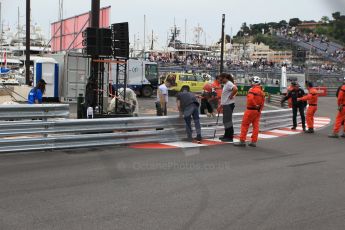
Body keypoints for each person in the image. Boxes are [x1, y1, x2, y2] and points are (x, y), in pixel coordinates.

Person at [234, 76, 265, 147]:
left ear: (255, 82)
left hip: (250, 110)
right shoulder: (261, 92)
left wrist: (255, 105)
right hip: (257, 111)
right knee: (256, 126)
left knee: (245, 125)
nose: (250, 82)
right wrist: (259, 110)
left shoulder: (252, 90)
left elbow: (250, 99)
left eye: (251, 81)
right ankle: (253, 141)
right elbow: (263, 103)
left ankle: (242, 141)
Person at [218, 73, 238, 142]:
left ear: (224, 78)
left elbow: (235, 89)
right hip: (226, 105)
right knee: (225, 121)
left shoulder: (229, 83)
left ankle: (230, 137)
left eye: (220, 78)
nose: (219, 79)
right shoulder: (226, 84)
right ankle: (226, 135)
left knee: (228, 121)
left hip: (229, 105)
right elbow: (224, 96)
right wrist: (221, 104)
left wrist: (231, 96)